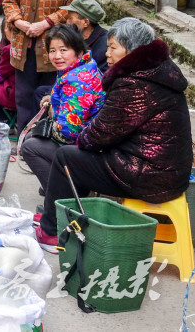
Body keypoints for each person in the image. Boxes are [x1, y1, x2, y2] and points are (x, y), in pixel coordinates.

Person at [35, 18, 193, 252]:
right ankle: (63, 217)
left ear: (131, 49)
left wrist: (83, 136)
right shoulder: (156, 71)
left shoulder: (135, 83)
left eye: (113, 47)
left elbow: (99, 134)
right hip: (164, 169)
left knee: (67, 157)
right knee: (76, 156)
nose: (106, 53)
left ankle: (50, 231)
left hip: (149, 175)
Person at [3, 0, 84, 133]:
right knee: (24, 96)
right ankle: (24, 139)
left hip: (54, 50)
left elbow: (74, 5)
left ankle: (45, 139)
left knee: (52, 96)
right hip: (23, 46)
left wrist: (45, 24)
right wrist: (18, 21)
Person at [21, 24, 104, 205]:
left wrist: (47, 127)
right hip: (89, 143)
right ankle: (61, 185)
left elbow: (69, 132)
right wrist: (53, 100)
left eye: (63, 50)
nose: (57, 56)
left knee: (30, 146)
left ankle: (62, 201)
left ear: (78, 51)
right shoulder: (83, 67)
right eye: (52, 50)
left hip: (87, 149)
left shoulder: (78, 81)